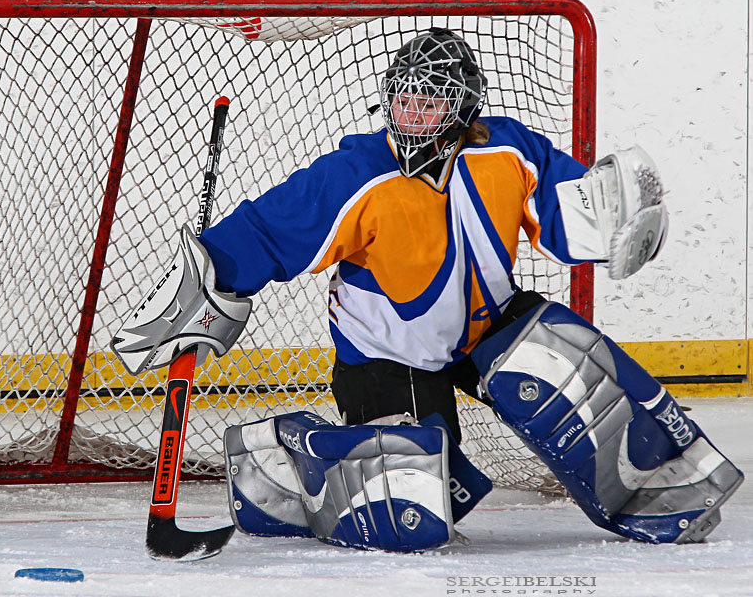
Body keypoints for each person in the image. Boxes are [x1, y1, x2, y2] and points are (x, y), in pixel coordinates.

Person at [113, 29, 743, 552]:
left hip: (488, 326)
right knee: (419, 509)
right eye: (404, 101)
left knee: (570, 361)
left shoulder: (505, 149)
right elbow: (268, 230)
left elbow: (568, 212)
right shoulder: (358, 175)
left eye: (431, 101)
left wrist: (618, 218)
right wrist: (205, 285)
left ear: (463, 104)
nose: (413, 116)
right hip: (390, 358)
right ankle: (277, 463)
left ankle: (663, 490)